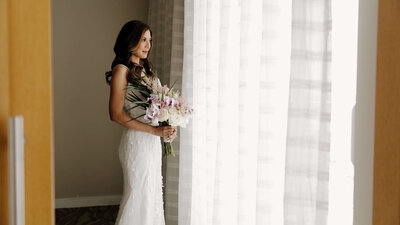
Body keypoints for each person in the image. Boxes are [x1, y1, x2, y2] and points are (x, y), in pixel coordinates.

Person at [105, 20, 176, 225]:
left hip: (152, 143)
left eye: (150, 40)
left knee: (151, 196)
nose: (148, 45)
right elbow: (116, 114)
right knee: (137, 196)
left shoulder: (146, 69)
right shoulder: (121, 70)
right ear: (130, 40)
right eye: (143, 39)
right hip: (136, 143)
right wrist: (154, 131)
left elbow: (160, 107)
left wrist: (168, 127)